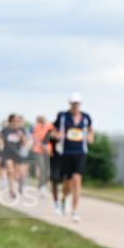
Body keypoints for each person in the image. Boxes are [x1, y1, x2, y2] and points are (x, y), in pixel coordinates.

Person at [53, 92, 93, 222]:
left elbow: (91, 131)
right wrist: (57, 135)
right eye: (73, 103)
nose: (75, 105)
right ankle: (64, 198)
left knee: (77, 179)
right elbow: (54, 131)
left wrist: (90, 137)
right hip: (66, 152)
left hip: (80, 152)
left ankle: (75, 210)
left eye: (77, 103)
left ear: (80, 104)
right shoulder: (63, 117)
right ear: (70, 104)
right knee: (68, 183)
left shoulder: (86, 117)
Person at [0, 114, 28, 198]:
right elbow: (0, 138)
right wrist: (1, 143)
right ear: (11, 121)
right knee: (10, 171)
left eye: (17, 121)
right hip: (7, 153)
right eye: (14, 121)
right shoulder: (6, 129)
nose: (16, 122)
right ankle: (12, 191)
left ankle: (19, 185)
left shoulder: (21, 130)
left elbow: (24, 143)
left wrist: (22, 136)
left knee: (17, 173)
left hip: (17, 154)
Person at [31, 114, 54, 194]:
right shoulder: (36, 127)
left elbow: (52, 137)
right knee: (42, 168)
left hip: (48, 151)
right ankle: (41, 186)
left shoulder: (50, 126)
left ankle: (42, 185)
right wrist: (42, 145)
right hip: (38, 150)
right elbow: (35, 138)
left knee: (48, 170)